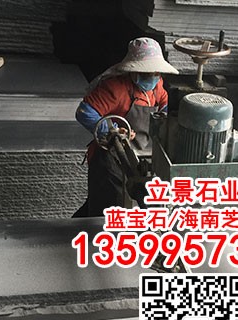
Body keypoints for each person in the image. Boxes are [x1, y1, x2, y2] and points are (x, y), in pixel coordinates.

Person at [74, 37, 179, 217]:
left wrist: (167, 121)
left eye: (156, 73)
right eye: (146, 74)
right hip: (110, 157)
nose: (152, 77)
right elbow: (85, 112)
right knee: (109, 206)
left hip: (141, 154)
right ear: (133, 71)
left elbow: (164, 104)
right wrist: (113, 130)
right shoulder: (116, 88)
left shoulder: (156, 86)